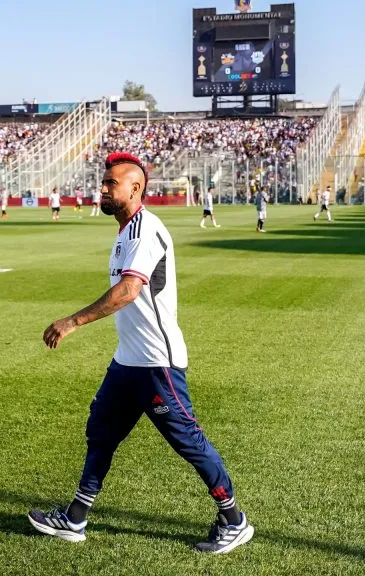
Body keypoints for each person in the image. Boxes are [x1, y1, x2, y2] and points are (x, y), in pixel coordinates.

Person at [30, 152, 254, 554]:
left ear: (135, 189)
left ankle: (234, 520)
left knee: (187, 440)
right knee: (101, 432)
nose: (102, 189)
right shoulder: (124, 232)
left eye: (110, 183)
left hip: (156, 363)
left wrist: (72, 322)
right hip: (128, 361)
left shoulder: (145, 230)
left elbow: (129, 290)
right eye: (103, 182)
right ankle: (75, 518)